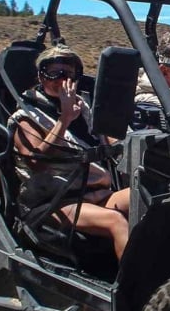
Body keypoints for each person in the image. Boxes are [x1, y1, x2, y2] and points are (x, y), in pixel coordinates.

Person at [11, 44, 131, 258]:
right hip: (54, 203)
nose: (62, 80)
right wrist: (64, 119)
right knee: (115, 222)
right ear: (41, 76)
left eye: (69, 74)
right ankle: (135, 290)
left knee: (148, 197)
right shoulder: (26, 117)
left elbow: (113, 139)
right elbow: (36, 162)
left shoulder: (84, 109)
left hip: (96, 194)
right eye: (54, 73)